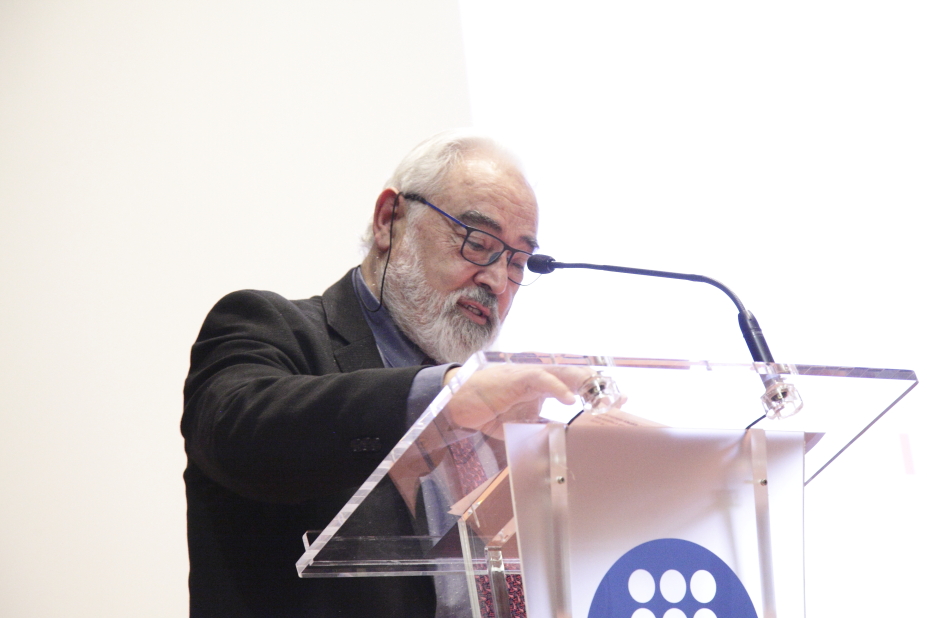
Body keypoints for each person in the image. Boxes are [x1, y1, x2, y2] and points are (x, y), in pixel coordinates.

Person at [181, 130, 590, 617]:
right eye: (478, 243)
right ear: (388, 220)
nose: (497, 280)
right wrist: (440, 397)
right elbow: (236, 430)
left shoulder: (500, 418)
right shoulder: (268, 327)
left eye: (519, 262)